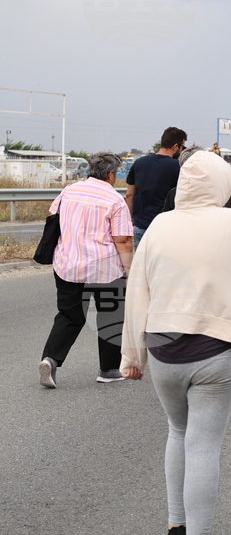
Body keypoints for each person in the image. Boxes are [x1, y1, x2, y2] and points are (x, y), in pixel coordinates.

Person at [120, 150, 231, 535]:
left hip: (162, 347)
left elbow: (137, 288)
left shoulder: (158, 224)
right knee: (205, 444)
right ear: (222, 184)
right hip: (216, 347)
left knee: (178, 431)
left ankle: (176, 529)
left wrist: (130, 356)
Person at [38, 153, 134, 388]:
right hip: (105, 268)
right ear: (111, 174)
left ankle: (50, 359)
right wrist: (129, 270)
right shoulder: (114, 199)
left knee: (69, 316)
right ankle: (109, 370)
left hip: (68, 264)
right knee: (111, 315)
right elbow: (122, 240)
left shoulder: (70, 190)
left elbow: (53, 216)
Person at [126, 126, 186, 247]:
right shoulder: (177, 167)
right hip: (164, 228)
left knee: (140, 265)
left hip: (140, 226)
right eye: (182, 147)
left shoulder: (139, 163)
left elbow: (129, 194)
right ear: (175, 146)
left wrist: (132, 219)